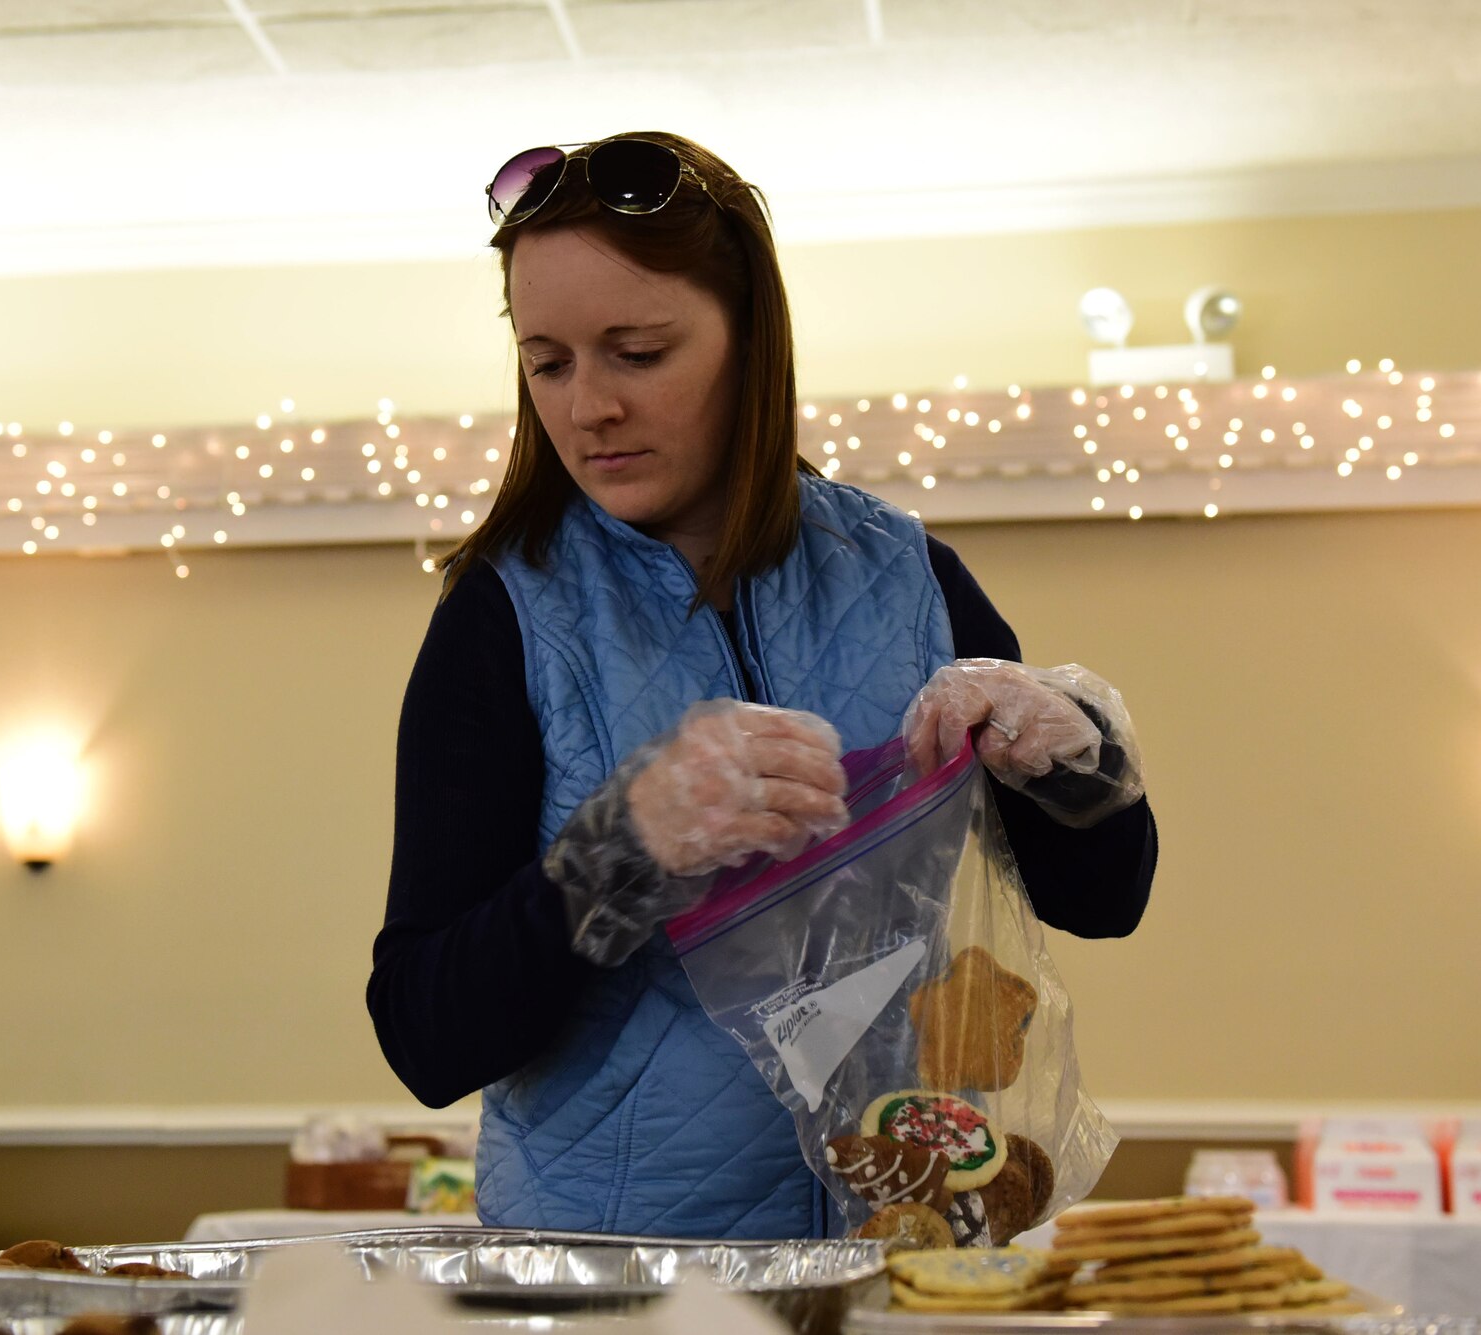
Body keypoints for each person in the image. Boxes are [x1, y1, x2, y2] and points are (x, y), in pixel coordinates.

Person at [367, 132, 1157, 1239]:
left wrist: (1074, 757)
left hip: (903, 1261)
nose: (585, 405)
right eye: (546, 361)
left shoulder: (903, 572)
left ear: (752, 340)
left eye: (635, 352)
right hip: (624, 1286)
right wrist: (618, 852)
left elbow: (1100, 899)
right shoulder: (506, 615)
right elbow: (425, 1038)